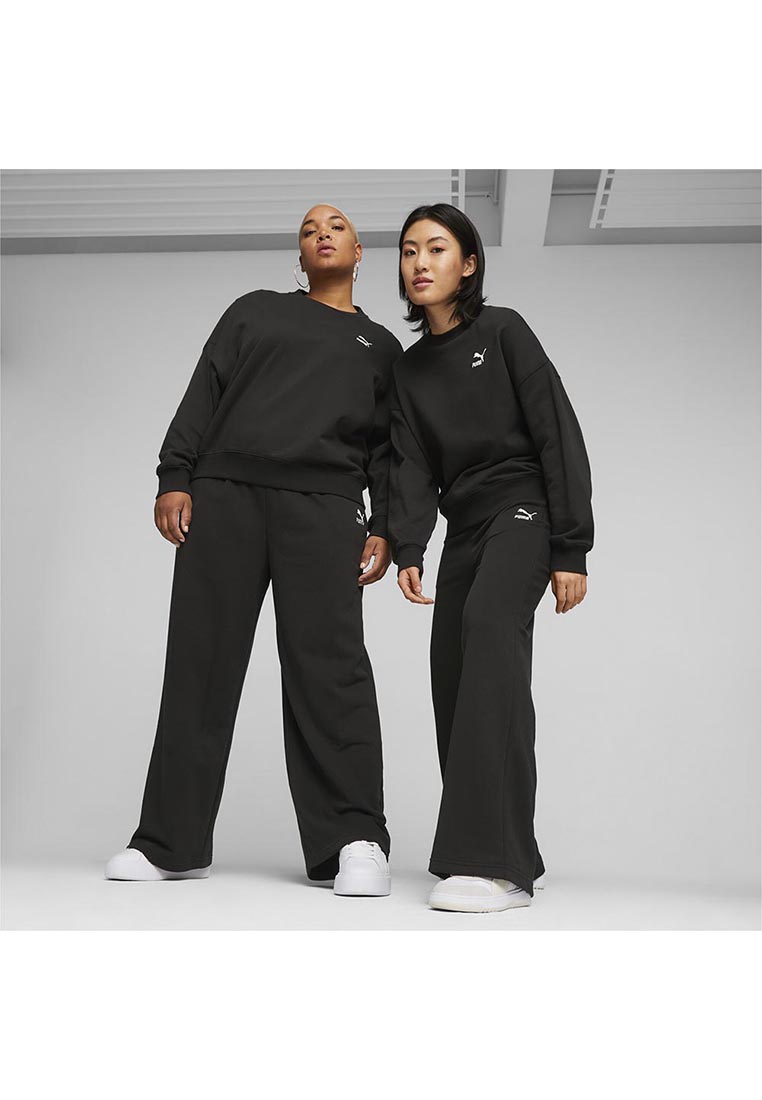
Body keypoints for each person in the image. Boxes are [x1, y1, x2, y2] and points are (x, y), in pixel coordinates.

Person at [105, 204, 401, 897]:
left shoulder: (382, 348)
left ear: (360, 252)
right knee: (199, 665)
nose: (322, 232)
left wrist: (388, 524)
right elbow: (203, 392)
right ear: (300, 257)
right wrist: (175, 476)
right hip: (225, 497)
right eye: (309, 229)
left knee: (332, 672)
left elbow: (389, 451)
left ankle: (354, 841)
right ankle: (170, 843)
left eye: (336, 226)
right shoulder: (255, 311)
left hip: (325, 508)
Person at [388, 203, 594, 913]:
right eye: (409, 251)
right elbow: (412, 464)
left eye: (436, 248)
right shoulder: (410, 369)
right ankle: (511, 850)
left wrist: (571, 545)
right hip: (465, 526)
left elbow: (556, 431)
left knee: (487, 637)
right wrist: (409, 544)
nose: (420, 262)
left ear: (469, 264)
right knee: (454, 670)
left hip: (524, 508)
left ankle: (493, 866)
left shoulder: (503, 330)